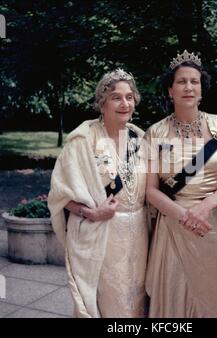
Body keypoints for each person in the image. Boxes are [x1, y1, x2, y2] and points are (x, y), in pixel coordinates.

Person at [145, 50, 217, 317]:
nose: (188, 87)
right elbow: (151, 190)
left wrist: (205, 207)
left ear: (201, 89)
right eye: (181, 81)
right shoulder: (156, 132)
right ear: (170, 90)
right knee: (174, 301)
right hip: (174, 224)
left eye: (194, 81)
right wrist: (185, 214)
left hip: (214, 224)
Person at [48, 69, 148, 318]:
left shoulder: (141, 139)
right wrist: (91, 212)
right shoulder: (83, 140)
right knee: (108, 304)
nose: (124, 103)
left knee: (137, 302)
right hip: (101, 237)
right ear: (102, 103)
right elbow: (60, 193)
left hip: (140, 236)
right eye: (116, 97)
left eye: (129, 97)